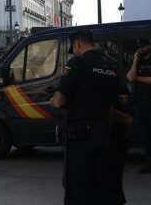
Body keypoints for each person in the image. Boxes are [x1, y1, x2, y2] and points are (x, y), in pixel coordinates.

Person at [51, 30, 122, 205]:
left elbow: (59, 101)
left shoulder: (78, 64)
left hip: (80, 137)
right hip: (105, 133)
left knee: (77, 187)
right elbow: (114, 104)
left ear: (78, 44)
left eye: (73, 48)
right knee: (102, 184)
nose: (74, 51)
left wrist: (53, 99)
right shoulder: (110, 66)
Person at [127, 38, 151, 177]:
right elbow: (130, 77)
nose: (140, 49)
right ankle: (150, 164)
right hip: (140, 104)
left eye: (143, 47)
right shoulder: (137, 62)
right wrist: (135, 61)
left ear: (149, 47)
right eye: (139, 47)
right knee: (145, 137)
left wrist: (139, 78)